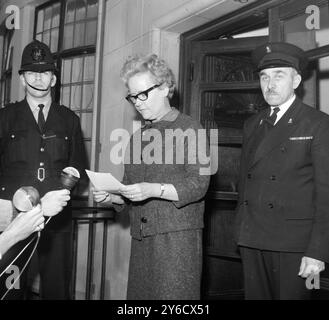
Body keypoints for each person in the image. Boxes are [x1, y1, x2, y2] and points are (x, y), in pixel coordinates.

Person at [93, 53, 210, 300]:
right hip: (143, 242)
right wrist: (111, 197)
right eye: (133, 96)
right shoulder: (138, 138)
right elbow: (127, 190)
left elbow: (198, 185)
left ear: (166, 87)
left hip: (177, 244)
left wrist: (153, 189)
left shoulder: (192, 128)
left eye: (143, 94)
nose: (138, 102)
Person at [235, 42, 329, 299]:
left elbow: (326, 195)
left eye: (279, 75)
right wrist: (240, 230)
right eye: (264, 77)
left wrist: (318, 251)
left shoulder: (318, 123)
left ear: (296, 80)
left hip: (295, 245)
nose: (270, 84)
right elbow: (245, 181)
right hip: (252, 238)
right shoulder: (253, 123)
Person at [0, 40, 87, 299]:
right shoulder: (5, 117)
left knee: (57, 289)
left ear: (53, 79)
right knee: (10, 291)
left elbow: (79, 169)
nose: (38, 78)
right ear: (23, 79)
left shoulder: (69, 119)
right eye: (31, 72)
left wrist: (63, 192)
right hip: (13, 218)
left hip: (56, 221)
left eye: (45, 72)